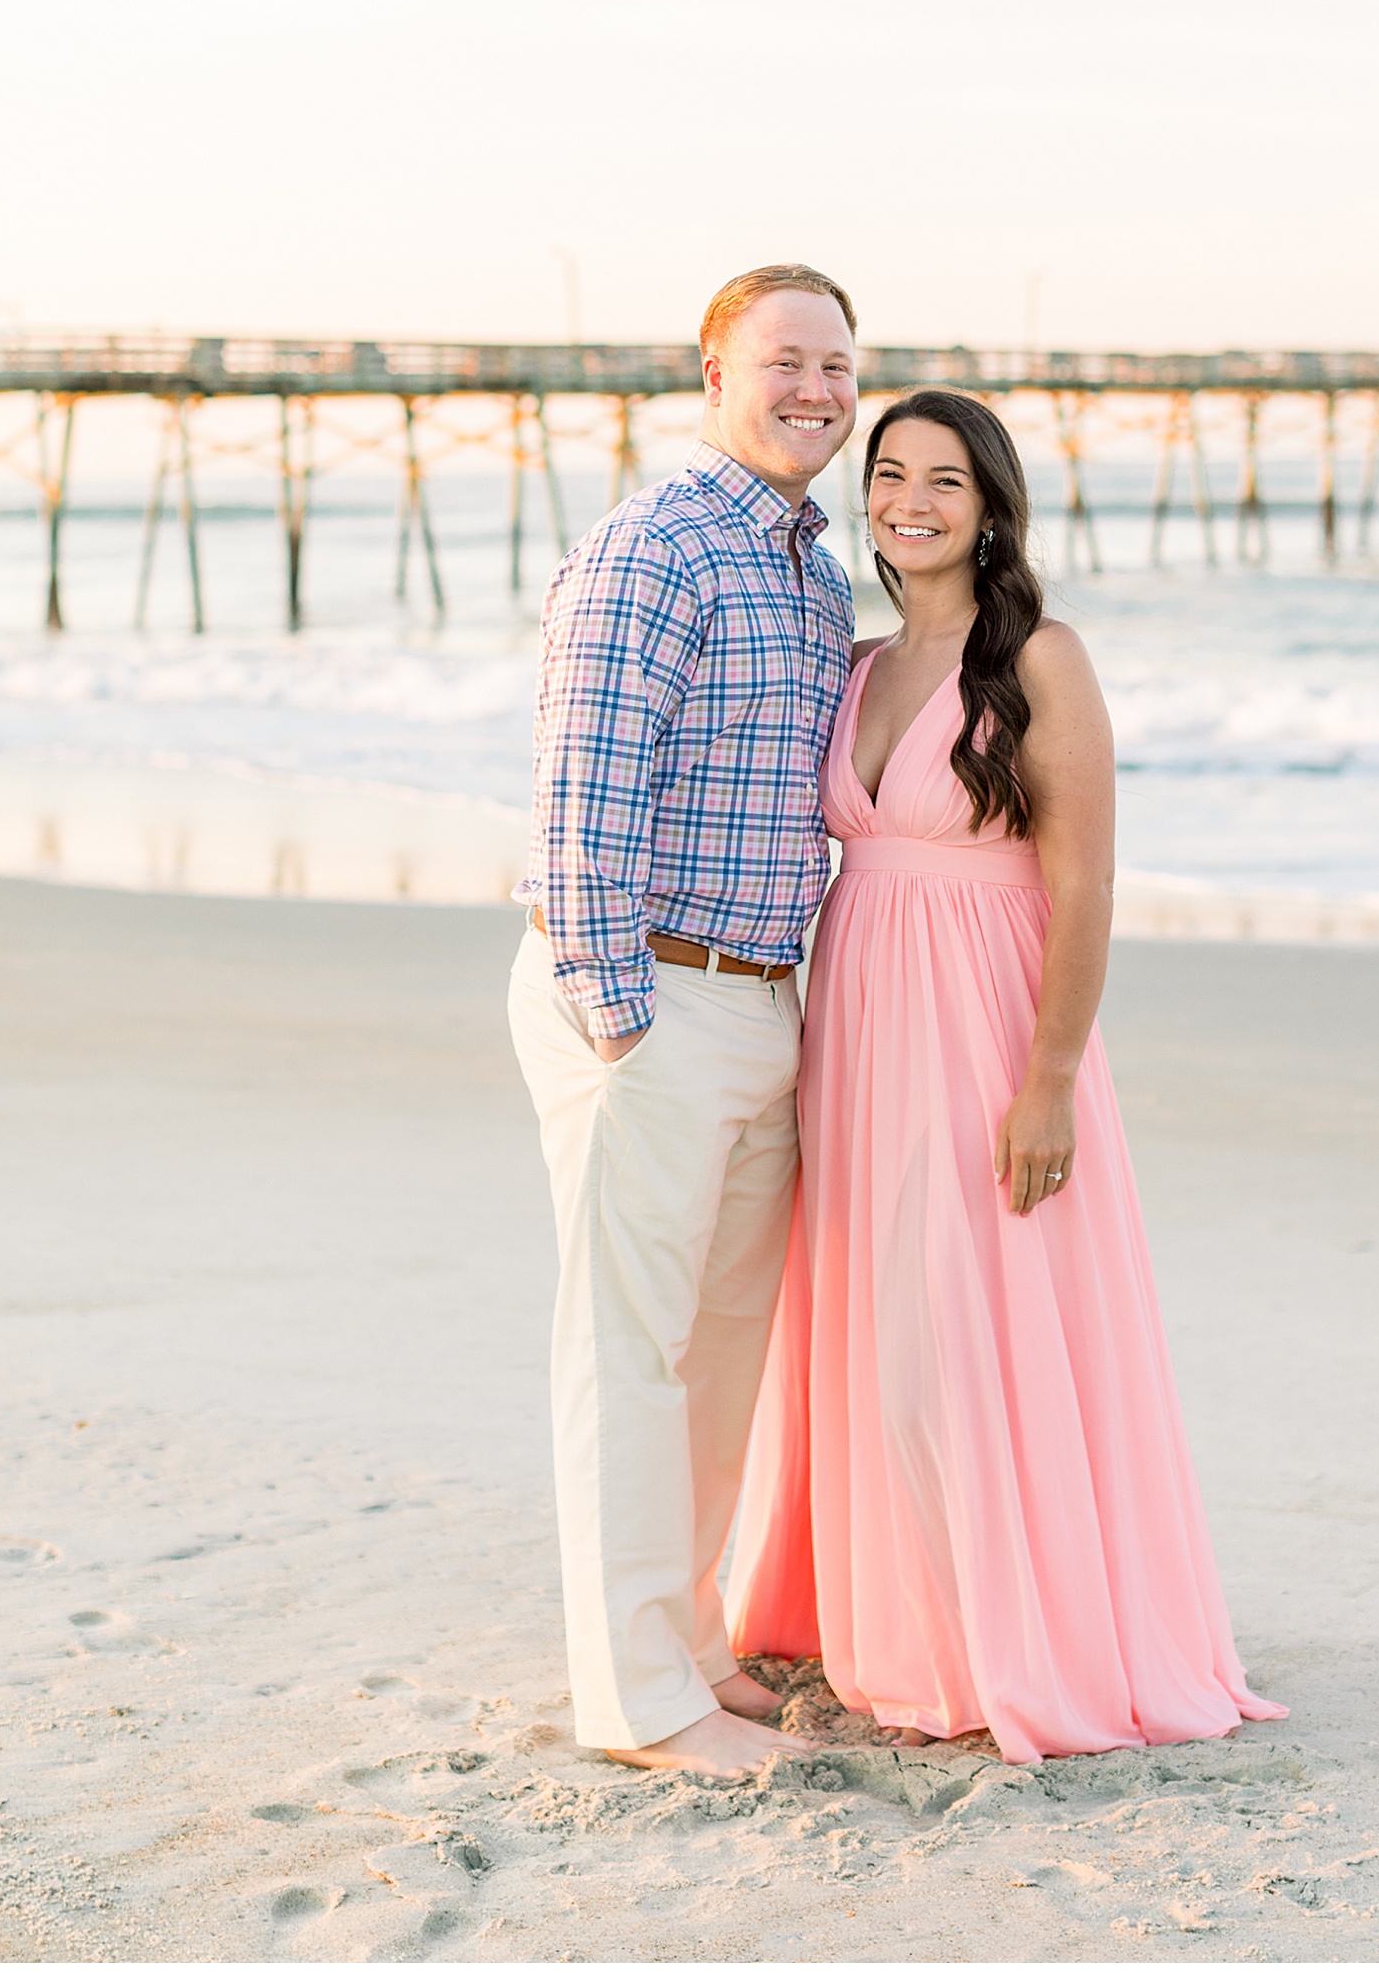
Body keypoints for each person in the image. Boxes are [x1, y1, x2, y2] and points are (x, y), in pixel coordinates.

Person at [727, 389, 1286, 1764]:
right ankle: (889, 1613)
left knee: (968, 1326)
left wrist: (1049, 1077)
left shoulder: (1040, 656)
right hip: (857, 1021)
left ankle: (998, 1635)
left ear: (991, 507)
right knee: (872, 1324)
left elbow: (1086, 884)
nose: (910, 500)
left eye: (944, 480)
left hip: (985, 1024)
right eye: (890, 475)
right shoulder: (850, 663)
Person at [507, 263, 859, 1777]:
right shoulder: (655, 545)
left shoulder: (809, 570)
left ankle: (691, 1646)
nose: (819, 391)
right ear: (713, 368)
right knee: (626, 1349)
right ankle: (633, 1701)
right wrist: (617, 1017)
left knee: (719, 1356)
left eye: (841, 367)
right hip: (648, 993)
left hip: (761, 1000)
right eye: (786, 359)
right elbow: (582, 794)